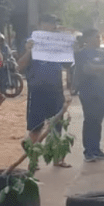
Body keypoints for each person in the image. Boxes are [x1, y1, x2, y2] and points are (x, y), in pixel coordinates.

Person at [18, 14, 70, 168]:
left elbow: (67, 65)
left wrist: (69, 49)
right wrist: (29, 50)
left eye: (54, 24)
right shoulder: (30, 42)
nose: (52, 27)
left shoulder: (59, 42)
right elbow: (20, 66)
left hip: (56, 89)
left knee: (57, 125)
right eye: (48, 23)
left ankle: (57, 159)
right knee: (35, 127)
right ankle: (33, 160)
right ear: (41, 24)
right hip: (37, 90)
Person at [73, 28, 104, 162]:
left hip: (101, 91)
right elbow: (86, 70)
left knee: (98, 121)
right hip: (87, 92)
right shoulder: (80, 54)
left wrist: (96, 68)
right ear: (87, 39)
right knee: (90, 121)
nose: (99, 40)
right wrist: (101, 69)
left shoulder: (102, 54)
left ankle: (96, 149)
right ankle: (88, 151)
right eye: (96, 37)